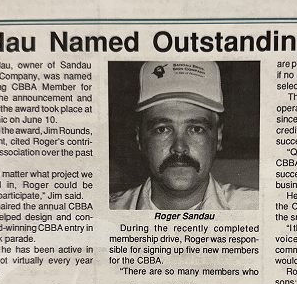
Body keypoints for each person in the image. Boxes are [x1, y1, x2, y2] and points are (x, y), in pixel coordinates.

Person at [110, 62, 258, 210]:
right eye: (162, 129)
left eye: (196, 129)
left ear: (218, 137)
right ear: (139, 138)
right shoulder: (108, 210)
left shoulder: (258, 208)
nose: (179, 147)